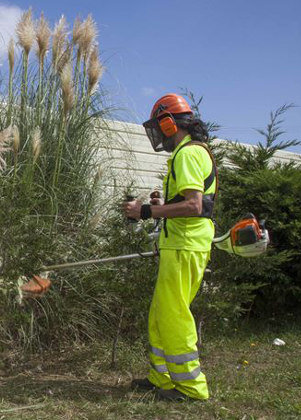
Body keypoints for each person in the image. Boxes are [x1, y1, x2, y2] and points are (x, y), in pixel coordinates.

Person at [122, 93, 217, 402]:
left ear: (168, 123)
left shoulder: (188, 154)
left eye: (158, 128)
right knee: (160, 314)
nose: (158, 135)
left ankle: (190, 388)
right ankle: (162, 378)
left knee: (173, 315)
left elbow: (193, 205)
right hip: (181, 244)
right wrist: (161, 206)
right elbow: (189, 204)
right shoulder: (194, 152)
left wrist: (147, 212)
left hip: (185, 246)